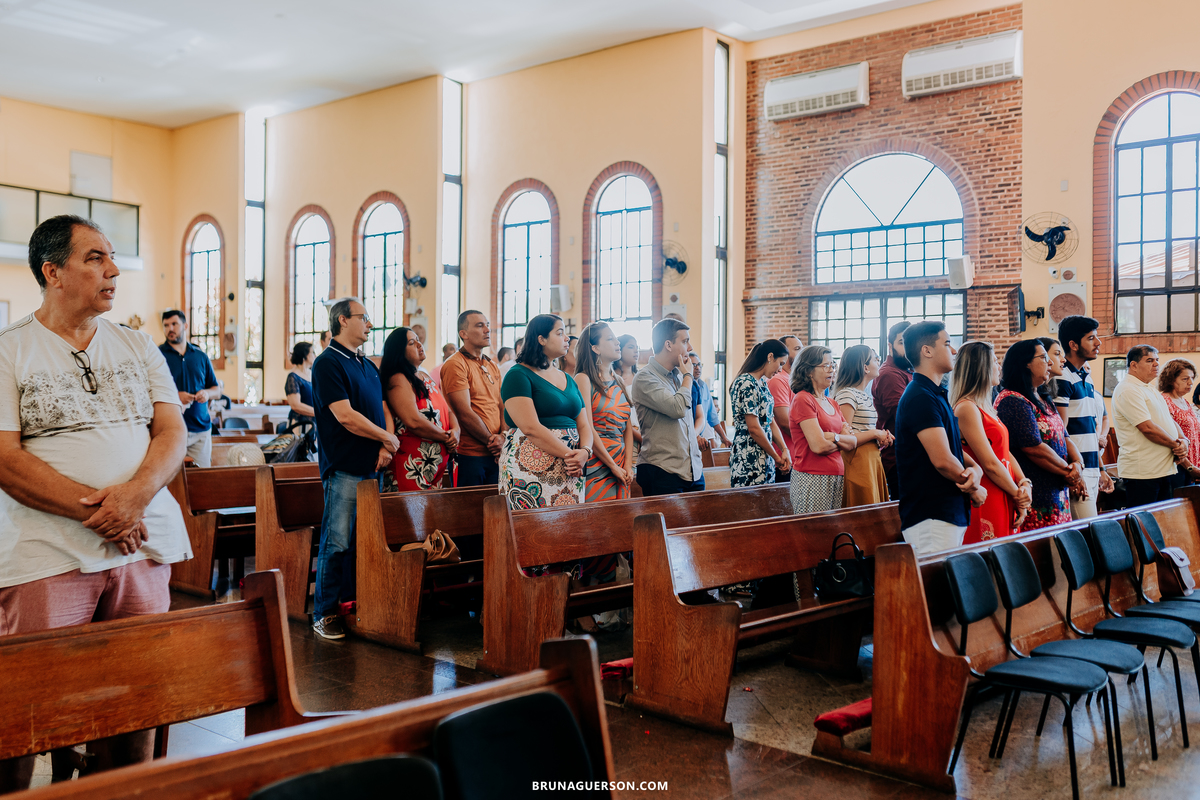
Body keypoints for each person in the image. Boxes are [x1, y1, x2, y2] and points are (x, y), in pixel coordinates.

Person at [0, 215, 191, 790]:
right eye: (95, 258)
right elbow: (5, 459)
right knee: (28, 708)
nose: (113, 270)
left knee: (135, 702)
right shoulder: (10, 350)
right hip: (48, 553)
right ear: (52, 272)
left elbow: (172, 432)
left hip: (142, 547)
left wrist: (135, 498)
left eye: (112, 257)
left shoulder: (136, 345)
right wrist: (105, 515)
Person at [310, 298, 397, 640]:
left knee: (364, 542)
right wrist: (386, 437)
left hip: (373, 465)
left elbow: (381, 408)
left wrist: (385, 446)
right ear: (343, 320)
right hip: (345, 466)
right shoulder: (328, 363)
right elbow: (345, 416)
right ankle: (324, 613)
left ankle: (355, 605)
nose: (370, 324)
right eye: (364, 318)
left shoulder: (367, 365)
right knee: (336, 543)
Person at [894, 321, 984, 554]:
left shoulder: (934, 394)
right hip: (931, 515)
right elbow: (943, 460)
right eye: (947, 343)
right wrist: (974, 488)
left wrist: (976, 470)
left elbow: (952, 449)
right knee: (938, 579)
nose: (953, 350)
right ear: (927, 351)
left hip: (947, 511)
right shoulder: (920, 396)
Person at [499, 314, 590, 509]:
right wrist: (572, 456)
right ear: (541, 339)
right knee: (530, 524)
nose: (567, 338)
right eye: (560, 333)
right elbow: (530, 427)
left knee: (569, 523)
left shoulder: (568, 379)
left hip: (570, 468)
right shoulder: (518, 375)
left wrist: (585, 452)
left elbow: (584, 424)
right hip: (530, 467)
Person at [995, 339, 1085, 532]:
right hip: (1036, 495)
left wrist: (1078, 464)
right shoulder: (1012, 399)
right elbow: (1033, 448)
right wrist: (1069, 472)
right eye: (1044, 357)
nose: (1050, 362)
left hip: (1056, 492)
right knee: (1042, 549)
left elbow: (1065, 436)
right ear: (1025, 363)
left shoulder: (1043, 397)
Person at [951, 341, 1032, 543]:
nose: (999, 366)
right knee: (992, 554)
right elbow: (989, 463)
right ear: (981, 367)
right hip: (988, 492)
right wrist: (1018, 495)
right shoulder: (966, 407)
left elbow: (1004, 451)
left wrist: (1023, 482)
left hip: (1004, 487)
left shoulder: (984, 405)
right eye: (995, 361)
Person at [379, 326, 459, 492]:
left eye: (418, 340)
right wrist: (446, 438)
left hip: (433, 466)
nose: (419, 344)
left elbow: (448, 410)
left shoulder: (424, 376)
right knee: (411, 509)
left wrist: (456, 431)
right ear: (399, 351)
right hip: (412, 466)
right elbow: (413, 421)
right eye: (411, 342)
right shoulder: (398, 379)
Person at [632, 319, 704, 495]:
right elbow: (677, 409)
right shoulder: (645, 378)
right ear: (668, 345)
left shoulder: (679, 376)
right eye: (685, 341)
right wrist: (688, 376)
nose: (690, 347)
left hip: (693, 471)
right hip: (662, 471)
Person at [1112, 345, 1188, 508]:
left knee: (1161, 519)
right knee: (1144, 521)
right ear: (1134, 365)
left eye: (1157, 360)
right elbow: (1147, 428)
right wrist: (1176, 445)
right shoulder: (1128, 389)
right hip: (1143, 472)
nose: (1156, 364)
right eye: (1149, 360)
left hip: (1162, 469)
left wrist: (1183, 440)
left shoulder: (1149, 388)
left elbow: (1168, 419)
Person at [1055, 315, 1114, 518]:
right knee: (1088, 531)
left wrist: (1101, 469)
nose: (1098, 343)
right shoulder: (1062, 377)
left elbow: (1090, 429)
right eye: (1090, 338)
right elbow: (1059, 431)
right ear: (1073, 345)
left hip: (1091, 467)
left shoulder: (1086, 378)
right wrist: (1072, 473)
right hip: (1076, 470)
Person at [788, 345, 854, 514]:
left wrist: (832, 436)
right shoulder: (803, 399)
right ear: (808, 371)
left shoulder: (832, 403)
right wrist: (841, 437)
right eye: (826, 366)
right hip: (812, 477)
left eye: (833, 365)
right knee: (815, 529)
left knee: (832, 528)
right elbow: (818, 446)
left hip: (837, 475)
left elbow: (852, 442)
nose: (831, 370)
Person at [442, 311, 504, 487]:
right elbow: (464, 412)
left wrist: (502, 437)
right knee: (469, 504)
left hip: (495, 453)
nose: (487, 330)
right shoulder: (455, 364)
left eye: (487, 325)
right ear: (464, 334)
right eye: (480, 325)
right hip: (469, 455)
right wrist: (492, 442)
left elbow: (502, 406)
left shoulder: (492, 365)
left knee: (496, 503)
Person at [574, 322, 633, 503]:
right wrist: (612, 466)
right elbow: (587, 427)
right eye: (610, 339)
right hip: (597, 461)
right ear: (596, 348)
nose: (617, 342)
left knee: (622, 515)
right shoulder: (584, 379)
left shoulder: (619, 380)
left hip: (621, 461)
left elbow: (628, 429)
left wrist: (628, 465)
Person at [833, 345, 893, 507]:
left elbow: (862, 429)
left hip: (870, 458)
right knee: (863, 510)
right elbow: (844, 437)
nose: (879, 362)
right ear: (865, 367)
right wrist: (875, 434)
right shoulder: (847, 394)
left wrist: (880, 438)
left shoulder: (863, 394)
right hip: (857, 460)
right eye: (875, 359)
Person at [159, 309, 219, 467]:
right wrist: (175, 396)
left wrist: (206, 393)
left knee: (201, 477)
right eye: (166, 325)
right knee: (170, 479)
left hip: (200, 430)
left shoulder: (200, 356)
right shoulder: (157, 355)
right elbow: (147, 390)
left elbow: (217, 390)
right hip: (170, 430)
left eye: (174, 324)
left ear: (185, 326)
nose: (170, 329)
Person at [729, 341, 791, 487]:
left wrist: (784, 449)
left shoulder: (762, 383)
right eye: (780, 363)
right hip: (748, 457)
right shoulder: (745, 382)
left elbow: (770, 421)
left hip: (765, 456)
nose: (780, 369)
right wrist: (776, 457)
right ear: (770, 357)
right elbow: (754, 428)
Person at [873, 321, 913, 499]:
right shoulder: (890, 374)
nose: (909, 348)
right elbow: (905, 419)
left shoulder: (908, 371)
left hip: (910, 458)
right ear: (890, 346)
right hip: (899, 460)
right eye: (902, 342)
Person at [1159, 357, 1200, 485]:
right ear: (1171, 380)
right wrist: (1189, 467)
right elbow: (1171, 437)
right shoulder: (1164, 401)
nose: (1190, 382)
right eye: (1185, 379)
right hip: (1178, 466)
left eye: (1192, 378)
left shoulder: (1184, 402)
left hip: (1192, 463)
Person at [769, 334, 803, 482]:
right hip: (785, 457)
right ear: (785, 353)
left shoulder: (795, 380)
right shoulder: (778, 380)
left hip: (799, 455)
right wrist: (812, 437)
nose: (802, 352)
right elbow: (784, 422)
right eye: (797, 348)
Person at [615, 334, 643, 450]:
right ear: (619, 349)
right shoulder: (612, 379)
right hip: (622, 435)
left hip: (645, 433)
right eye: (631, 347)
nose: (636, 351)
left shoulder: (641, 377)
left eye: (637, 347)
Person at [285, 342, 316, 429]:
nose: (315, 355)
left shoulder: (312, 374)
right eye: (312, 352)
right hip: (299, 423)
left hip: (313, 422)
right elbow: (296, 405)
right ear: (305, 355)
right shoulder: (293, 376)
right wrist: (318, 412)